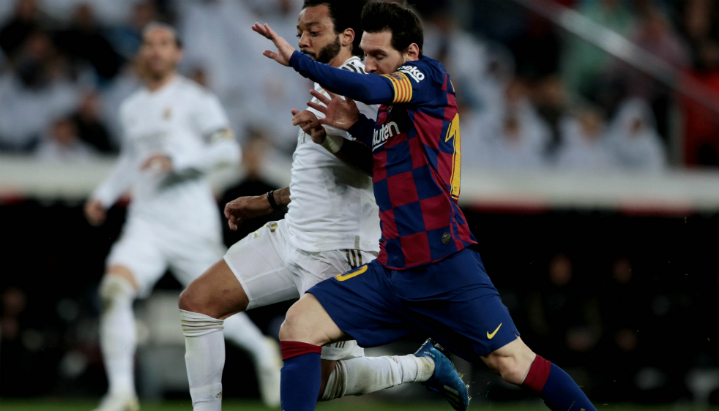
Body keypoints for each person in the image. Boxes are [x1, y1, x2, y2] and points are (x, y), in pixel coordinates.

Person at [252, 1, 598, 410]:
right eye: (365, 54)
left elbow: (370, 89)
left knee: (513, 363)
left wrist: (299, 61)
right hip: (393, 271)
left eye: (379, 55)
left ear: (411, 53)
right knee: (299, 325)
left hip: (443, 265)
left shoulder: (427, 76)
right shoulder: (393, 112)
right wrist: (356, 127)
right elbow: (389, 161)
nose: (369, 65)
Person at [178, 2, 468, 411]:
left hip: (339, 248)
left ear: (347, 36)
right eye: (300, 32)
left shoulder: (371, 85)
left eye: (313, 31)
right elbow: (320, 174)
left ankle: (423, 366)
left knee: (320, 382)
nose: (303, 41)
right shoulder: (326, 85)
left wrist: (329, 138)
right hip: (292, 235)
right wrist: (269, 201)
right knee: (198, 305)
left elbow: (385, 166)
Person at [84, 23, 281, 411]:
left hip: (191, 224)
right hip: (145, 223)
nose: (155, 50)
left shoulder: (196, 100)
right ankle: (121, 393)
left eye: (164, 44)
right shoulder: (131, 107)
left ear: (178, 54)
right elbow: (131, 160)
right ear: (142, 54)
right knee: (114, 291)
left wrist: (177, 161)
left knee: (212, 307)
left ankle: (262, 351)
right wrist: (103, 195)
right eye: (148, 44)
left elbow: (227, 151)